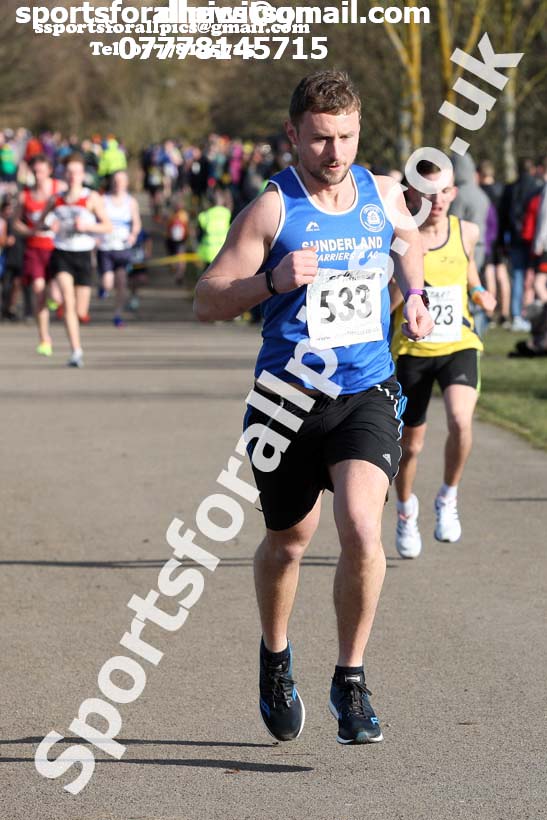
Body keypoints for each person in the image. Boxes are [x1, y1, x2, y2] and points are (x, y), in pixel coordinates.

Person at [194, 70, 433, 745]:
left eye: (346, 137)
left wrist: (411, 292)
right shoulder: (271, 209)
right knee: (288, 541)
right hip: (285, 399)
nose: (335, 153)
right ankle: (275, 658)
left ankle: (350, 682)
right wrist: (268, 280)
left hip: (363, 390)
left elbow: (407, 240)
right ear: (294, 133)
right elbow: (207, 299)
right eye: (321, 139)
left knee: (361, 528)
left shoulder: (381, 192)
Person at [390, 160, 496, 559]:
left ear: (453, 193)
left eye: (443, 192)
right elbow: (386, 303)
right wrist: (410, 291)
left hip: (458, 343)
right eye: (428, 192)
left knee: (459, 420)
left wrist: (481, 291)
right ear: (412, 194)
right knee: (410, 447)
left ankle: (448, 497)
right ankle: (405, 512)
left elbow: (467, 268)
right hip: (413, 352)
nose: (436, 200)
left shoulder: (465, 232)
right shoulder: (402, 240)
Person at [42, 154, 112, 367]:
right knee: (68, 303)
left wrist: (87, 227)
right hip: (62, 253)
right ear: (64, 174)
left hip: (83, 256)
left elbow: (107, 226)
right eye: (69, 172)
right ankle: (76, 351)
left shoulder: (91, 198)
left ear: (83, 174)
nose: (73, 176)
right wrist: (48, 226)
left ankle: (63, 308)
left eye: (77, 172)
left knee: (81, 311)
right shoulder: (56, 199)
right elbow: (40, 223)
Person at [14, 154, 66, 355]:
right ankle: (44, 338)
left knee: (54, 293)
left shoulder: (59, 189)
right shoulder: (24, 195)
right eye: (34, 172)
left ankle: (57, 301)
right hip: (34, 248)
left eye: (41, 171)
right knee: (38, 291)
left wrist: (60, 225)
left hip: (57, 248)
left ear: (49, 171)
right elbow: (16, 223)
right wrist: (29, 231)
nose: (38, 175)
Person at [97, 170, 141, 327]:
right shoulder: (103, 200)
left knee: (122, 282)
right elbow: (96, 219)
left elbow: (136, 223)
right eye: (115, 181)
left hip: (122, 247)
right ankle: (103, 287)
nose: (118, 184)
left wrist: (133, 235)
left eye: (121, 181)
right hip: (106, 246)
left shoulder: (131, 202)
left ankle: (117, 314)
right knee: (108, 282)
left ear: (126, 183)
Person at [478, 159, 511, 327]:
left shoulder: (480, 192)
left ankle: (490, 313)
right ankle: (505, 313)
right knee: (502, 275)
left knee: (489, 274)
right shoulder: (503, 190)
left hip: (488, 237)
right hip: (502, 237)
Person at [197, 188, 232, 265]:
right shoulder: (226, 213)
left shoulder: (203, 216)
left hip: (207, 253)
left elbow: (199, 235)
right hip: (222, 252)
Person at [165, 198, 190, 285]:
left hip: (179, 240)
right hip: (173, 239)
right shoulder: (182, 215)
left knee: (180, 257)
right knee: (177, 258)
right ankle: (178, 273)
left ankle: (179, 274)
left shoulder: (182, 215)